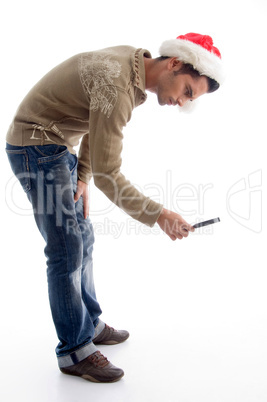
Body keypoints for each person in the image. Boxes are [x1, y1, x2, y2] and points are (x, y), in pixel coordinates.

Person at [5, 33, 223, 383]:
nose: (182, 102)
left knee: (83, 239)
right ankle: (74, 351)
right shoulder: (119, 84)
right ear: (175, 63)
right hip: (36, 147)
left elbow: (96, 121)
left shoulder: (133, 66)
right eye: (187, 91)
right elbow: (111, 174)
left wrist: (82, 175)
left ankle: (89, 324)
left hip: (57, 147)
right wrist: (159, 215)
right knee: (65, 248)